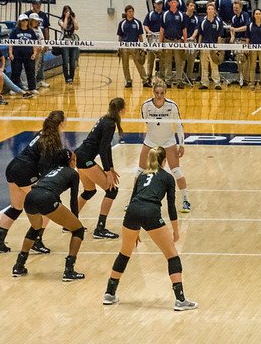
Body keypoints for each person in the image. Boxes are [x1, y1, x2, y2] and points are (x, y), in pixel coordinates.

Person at [103, 146, 197, 311]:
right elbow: (171, 207)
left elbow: (132, 199)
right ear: (164, 161)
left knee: (124, 253)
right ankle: (180, 300)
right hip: (151, 211)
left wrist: (136, 229)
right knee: (172, 255)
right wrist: (176, 230)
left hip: (132, 211)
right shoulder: (167, 177)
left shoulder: (141, 175)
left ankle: (109, 294)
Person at [0, 110, 66, 254]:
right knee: (48, 205)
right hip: (24, 172)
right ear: (61, 123)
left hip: (13, 166)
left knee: (16, 207)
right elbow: (45, 164)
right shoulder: (52, 139)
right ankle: (36, 241)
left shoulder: (42, 132)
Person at [11, 149, 86, 282]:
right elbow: (73, 200)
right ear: (71, 161)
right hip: (47, 198)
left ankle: (18, 265)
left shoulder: (52, 169)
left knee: (35, 228)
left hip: (30, 197)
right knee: (78, 230)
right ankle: (69, 270)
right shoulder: (73, 173)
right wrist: (75, 221)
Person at [75, 97, 125, 239]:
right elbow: (102, 149)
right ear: (122, 110)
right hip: (85, 159)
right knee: (112, 191)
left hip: (81, 156)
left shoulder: (105, 120)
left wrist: (111, 167)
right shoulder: (109, 124)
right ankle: (100, 229)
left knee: (89, 191)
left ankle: (70, 223)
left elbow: (107, 146)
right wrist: (107, 172)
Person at [139, 81, 191, 212]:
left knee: (176, 171)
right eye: (157, 93)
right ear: (153, 92)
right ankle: (134, 199)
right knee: (140, 171)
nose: (159, 95)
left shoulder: (172, 106)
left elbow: (179, 126)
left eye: (162, 93)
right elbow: (146, 121)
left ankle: (185, 200)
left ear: (165, 93)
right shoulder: (146, 106)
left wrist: (181, 144)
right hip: (151, 141)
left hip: (168, 142)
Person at [117, 5, 150, 88]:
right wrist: (119, 47)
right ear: (126, 13)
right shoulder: (122, 23)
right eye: (129, 12)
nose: (131, 13)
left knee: (139, 64)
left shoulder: (137, 22)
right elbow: (120, 36)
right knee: (125, 65)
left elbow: (140, 36)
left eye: (132, 11)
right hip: (124, 47)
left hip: (135, 46)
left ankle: (145, 80)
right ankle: (128, 81)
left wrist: (141, 46)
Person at [8, 14, 39, 95]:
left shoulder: (31, 31)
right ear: (20, 22)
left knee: (30, 72)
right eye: (22, 20)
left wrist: (35, 53)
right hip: (17, 55)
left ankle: (32, 88)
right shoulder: (15, 31)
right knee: (16, 72)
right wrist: (10, 53)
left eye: (26, 20)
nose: (24, 22)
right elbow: (10, 43)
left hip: (29, 55)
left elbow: (35, 43)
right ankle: (14, 88)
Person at [57, 5, 79, 83]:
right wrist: (66, 17)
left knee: (73, 62)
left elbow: (76, 27)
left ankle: (71, 77)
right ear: (63, 12)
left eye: (69, 11)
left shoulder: (73, 19)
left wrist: (73, 18)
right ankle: (67, 78)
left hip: (73, 43)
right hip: (64, 42)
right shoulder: (60, 20)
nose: (68, 13)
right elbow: (64, 27)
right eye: (66, 12)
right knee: (65, 61)